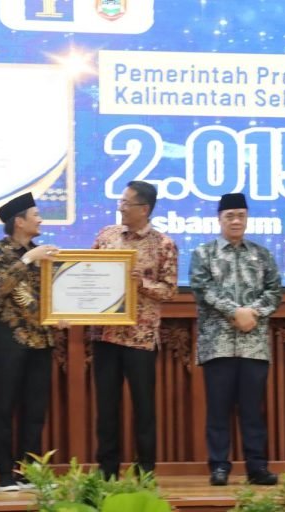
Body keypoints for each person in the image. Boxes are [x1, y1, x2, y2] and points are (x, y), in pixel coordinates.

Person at [189, 193, 282, 487]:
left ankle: (257, 468)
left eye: (241, 215)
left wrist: (252, 312)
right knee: (218, 410)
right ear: (219, 219)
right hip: (217, 344)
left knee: (253, 411)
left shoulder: (262, 254)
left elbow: (274, 292)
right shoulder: (203, 254)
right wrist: (235, 312)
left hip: (254, 345)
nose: (236, 221)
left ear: (247, 218)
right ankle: (219, 466)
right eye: (230, 216)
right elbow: (202, 290)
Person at [91, 180, 178, 480]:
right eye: (120, 201)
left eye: (126, 203)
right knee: (106, 407)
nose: (121, 207)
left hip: (140, 338)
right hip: (105, 335)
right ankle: (107, 471)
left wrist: (141, 283)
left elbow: (169, 290)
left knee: (144, 407)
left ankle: (145, 471)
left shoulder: (163, 244)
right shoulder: (106, 235)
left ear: (144, 209)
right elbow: (88, 273)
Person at [0, 192, 62, 492]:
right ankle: (5, 474)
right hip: (10, 339)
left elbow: (54, 294)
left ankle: (30, 473)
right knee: (5, 406)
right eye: (36, 215)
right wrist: (28, 258)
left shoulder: (43, 253)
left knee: (35, 410)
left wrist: (63, 314)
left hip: (42, 340)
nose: (40, 220)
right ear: (19, 221)